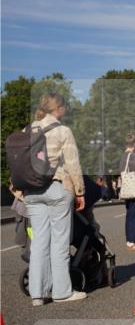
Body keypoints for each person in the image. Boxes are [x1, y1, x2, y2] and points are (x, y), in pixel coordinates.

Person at [22, 92, 87, 304]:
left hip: (31, 192)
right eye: (64, 107)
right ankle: (62, 292)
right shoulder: (62, 130)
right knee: (59, 243)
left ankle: (37, 294)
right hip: (57, 188)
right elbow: (72, 164)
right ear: (58, 108)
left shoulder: (27, 130)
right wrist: (80, 191)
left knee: (39, 242)